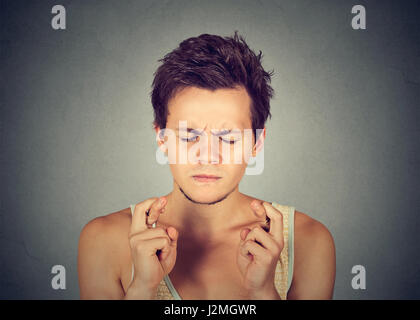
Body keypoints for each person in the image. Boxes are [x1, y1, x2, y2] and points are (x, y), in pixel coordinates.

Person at [77, 31, 336, 300]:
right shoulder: (104, 241)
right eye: (189, 136)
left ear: (257, 143)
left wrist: (263, 292)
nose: (208, 156)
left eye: (228, 138)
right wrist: (142, 288)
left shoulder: (308, 242)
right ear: (161, 138)